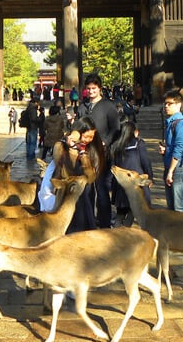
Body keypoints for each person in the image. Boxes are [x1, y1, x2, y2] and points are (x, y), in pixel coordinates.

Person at [37, 116, 102, 233]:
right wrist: (72, 149)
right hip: (68, 194)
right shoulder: (60, 147)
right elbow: (66, 172)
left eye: (91, 137)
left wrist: (84, 156)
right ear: (77, 133)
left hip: (84, 195)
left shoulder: (88, 149)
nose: (88, 140)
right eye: (86, 136)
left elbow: (91, 178)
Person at [77, 73, 120, 228]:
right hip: (85, 153)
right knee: (87, 189)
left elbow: (116, 128)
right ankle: (88, 221)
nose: (91, 91)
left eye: (94, 88)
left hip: (103, 154)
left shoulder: (108, 106)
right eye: (88, 89)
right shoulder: (83, 107)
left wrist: (106, 142)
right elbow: (77, 127)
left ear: (99, 89)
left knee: (102, 190)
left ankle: (104, 222)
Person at [110, 118, 153, 227]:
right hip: (135, 183)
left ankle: (116, 233)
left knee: (120, 212)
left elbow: (113, 166)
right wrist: (150, 178)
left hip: (121, 184)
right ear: (135, 132)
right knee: (132, 211)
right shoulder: (138, 144)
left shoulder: (116, 146)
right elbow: (145, 162)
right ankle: (125, 234)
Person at [160, 90, 183, 212]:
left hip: (179, 167)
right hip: (171, 167)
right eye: (165, 103)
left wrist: (171, 171)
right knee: (171, 207)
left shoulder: (181, 123)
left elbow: (179, 148)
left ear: (179, 105)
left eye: (170, 103)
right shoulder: (170, 122)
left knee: (180, 207)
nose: (166, 106)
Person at [24, 98, 43, 162]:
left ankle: (28, 154)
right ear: (36, 102)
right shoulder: (33, 109)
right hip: (33, 127)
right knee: (32, 143)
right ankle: (31, 155)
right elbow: (34, 118)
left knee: (28, 142)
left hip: (28, 127)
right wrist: (40, 119)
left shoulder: (28, 108)